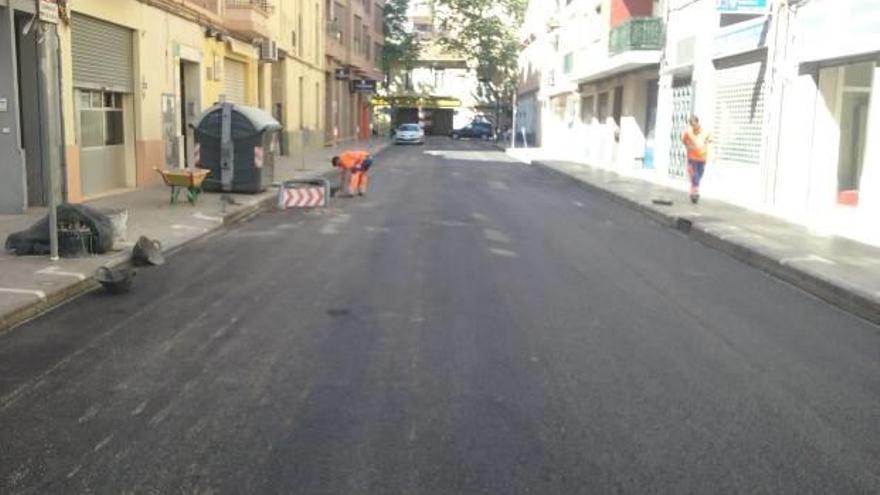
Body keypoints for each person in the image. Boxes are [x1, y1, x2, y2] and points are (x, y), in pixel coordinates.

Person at [681, 115, 713, 204]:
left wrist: (711, 154)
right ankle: (694, 192)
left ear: (698, 122)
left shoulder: (705, 132)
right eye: (692, 125)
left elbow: (710, 142)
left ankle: (694, 190)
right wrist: (689, 146)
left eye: (694, 124)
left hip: (702, 158)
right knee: (694, 175)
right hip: (692, 158)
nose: (693, 127)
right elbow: (684, 141)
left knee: (699, 175)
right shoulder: (688, 132)